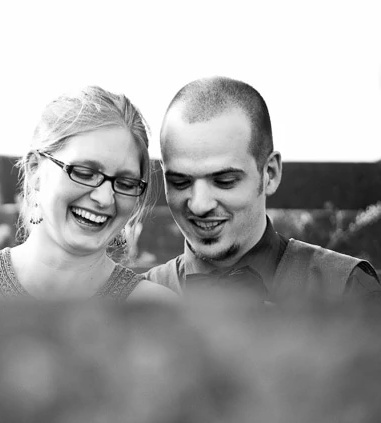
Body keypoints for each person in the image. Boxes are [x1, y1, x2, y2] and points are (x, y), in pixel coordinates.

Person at [0, 86, 176, 302]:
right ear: (35, 170)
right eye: (85, 172)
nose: (105, 198)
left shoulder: (155, 309)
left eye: (126, 183)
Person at [146, 76, 380, 302]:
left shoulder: (347, 287)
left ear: (270, 173)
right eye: (180, 182)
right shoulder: (139, 297)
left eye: (224, 181)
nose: (199, 204)